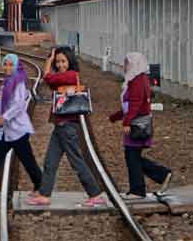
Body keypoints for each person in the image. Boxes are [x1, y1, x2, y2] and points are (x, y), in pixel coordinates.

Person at [26, 47, 107, 207]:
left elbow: (48, 78)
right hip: (60, 125)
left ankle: (95, 194)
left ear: (70, 61)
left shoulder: (71, 75)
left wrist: (48, 63)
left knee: (77, 161)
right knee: (51, 161)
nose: (60, 64)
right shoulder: (63, 76)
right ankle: (44, 194)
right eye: (58, 62)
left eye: (63, 61)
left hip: (67, 126)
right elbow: (52, 84)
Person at [0, 53, 42, 196]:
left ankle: (41, 186)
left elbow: (18, 105)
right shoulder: (7, 81)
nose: (7, 67)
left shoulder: (19, 82)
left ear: (16, 66)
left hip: (17, 130)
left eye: (11, 64)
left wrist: (2, 119)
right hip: (6, 130)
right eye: (6, 64)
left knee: (27, 159)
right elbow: (1, 105)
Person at [109, 52, 172, 199]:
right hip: (137, 122)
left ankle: (144, 186)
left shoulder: (138, 80)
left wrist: (127, 121)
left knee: (132, 155)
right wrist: (116, 116)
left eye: (127, 63)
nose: (125, 66)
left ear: (135, 64)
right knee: (133, 156)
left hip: (137, 124)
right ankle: (147, 183)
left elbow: (136, 104)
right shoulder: (136, 79)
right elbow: (129, 105)